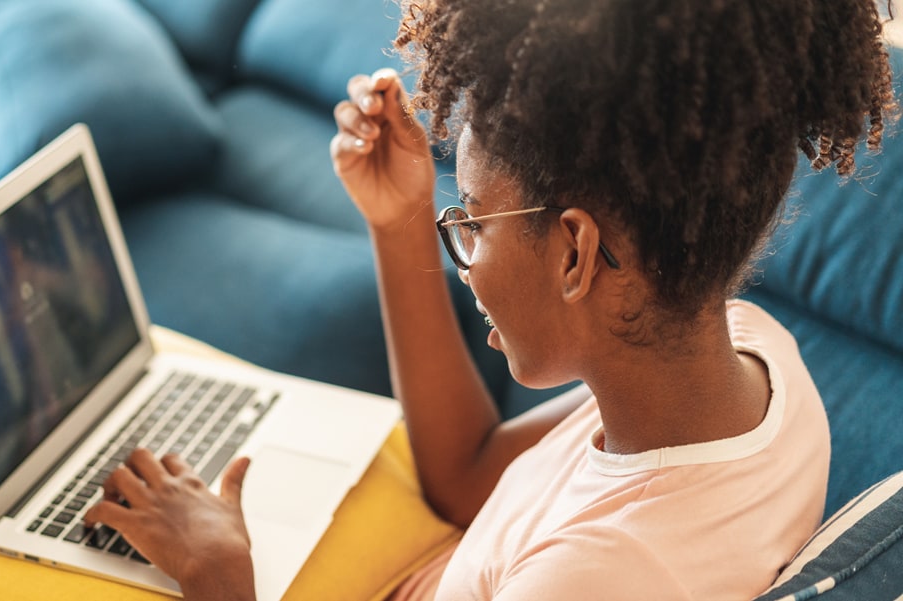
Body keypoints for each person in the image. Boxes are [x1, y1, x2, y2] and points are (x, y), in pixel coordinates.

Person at [84, 0, 897, 599]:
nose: (464, 254)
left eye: (471, 218)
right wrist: (402, 220)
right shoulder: (752, 356)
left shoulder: (601, 575)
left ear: (576, 252)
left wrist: (222, 576)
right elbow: (465, 472)